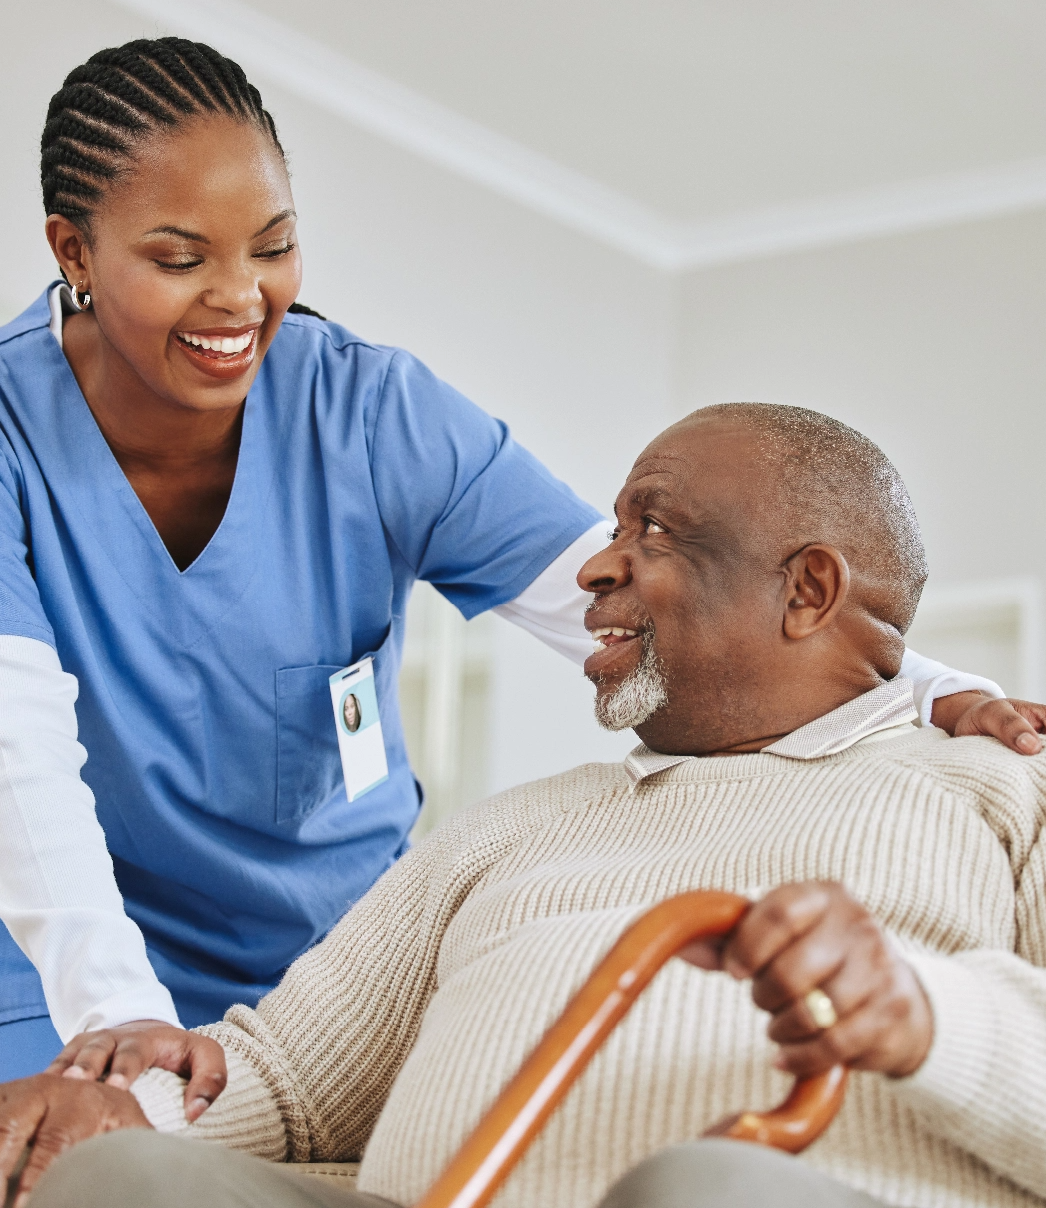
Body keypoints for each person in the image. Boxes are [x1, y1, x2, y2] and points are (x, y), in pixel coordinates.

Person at [0, 34, 1034, 1108]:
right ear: (73, 249)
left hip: (331, 964)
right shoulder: (9, 438)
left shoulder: (373, 417)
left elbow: (639, 594)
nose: (239, 299)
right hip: (67, 955)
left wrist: (924, 684)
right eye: (179, 259)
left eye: (273, 247)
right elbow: (16, 751)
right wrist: (117, 1013)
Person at [8, 403, 1046, 1208]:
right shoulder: (512, 825)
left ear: (807, 590)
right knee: (114, 1181)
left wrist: (926, 1017)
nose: (595, 561)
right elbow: (284, 1080)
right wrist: (97, 1118)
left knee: (705, 1189)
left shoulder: (1000, 784)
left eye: (653, 528)